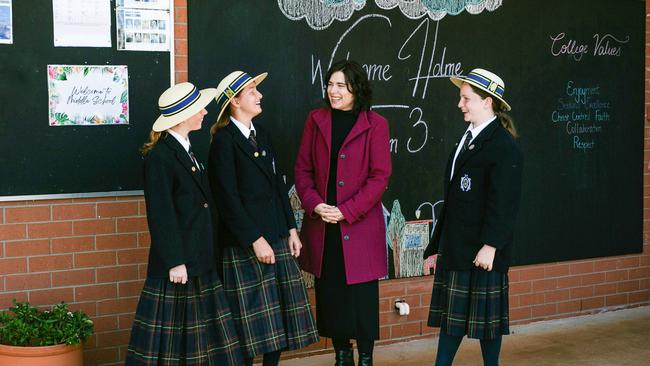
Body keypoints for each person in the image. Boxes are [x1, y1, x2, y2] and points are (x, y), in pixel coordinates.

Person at [125, 82, 243, 365]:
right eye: (198, 108)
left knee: (201, 345)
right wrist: (175, 261)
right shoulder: (160, 157)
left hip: (200, 260)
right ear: (182, 116)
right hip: (179, 266)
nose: (204, 112)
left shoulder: (188, 150)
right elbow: (161, 214)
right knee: (173, 348)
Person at [208, 71, 319, 366]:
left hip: (276, 237)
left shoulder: (264, 134)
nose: (260, 96)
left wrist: (291, 229)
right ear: (234, 102)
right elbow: (227, 200)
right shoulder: (224, 142)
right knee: (248, 329)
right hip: (246, 245)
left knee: (277, 323)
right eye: (252, 91)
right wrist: (254, 240)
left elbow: (278, 188)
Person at [295, 59, 392, 366]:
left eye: (341, 85)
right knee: (332, 293)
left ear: (356, 88)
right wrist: (315, 204)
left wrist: (346, 211)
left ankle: (365, 357)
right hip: (324, 226)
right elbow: (302, 170)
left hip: (359, 226)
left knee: (361, 296)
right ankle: (341, 356)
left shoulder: (376, 124)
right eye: (329, 85)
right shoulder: (315, 120)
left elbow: (380, 177)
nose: (333, 91)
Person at [423, 68, 523, 366]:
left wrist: (491, 246)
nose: (460, 104)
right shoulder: (465, 140)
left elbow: (505, 204)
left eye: (466, 98)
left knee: (487, 325)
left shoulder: (505, 147)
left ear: (487, 102)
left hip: (483, 252)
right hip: (457, 248)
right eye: (461, 97)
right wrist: (434, 248)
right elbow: (452, 202)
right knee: (451, 323)